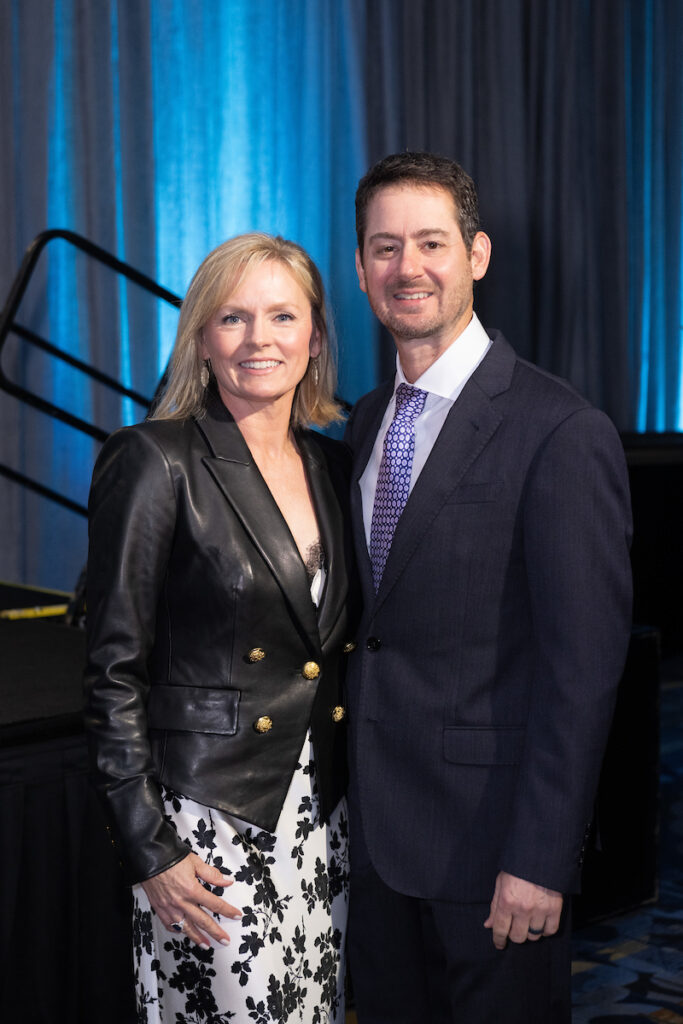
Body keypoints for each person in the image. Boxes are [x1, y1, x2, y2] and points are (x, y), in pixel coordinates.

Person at [343, 152, 633, 1023]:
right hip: (375, 852)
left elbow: (582, 673)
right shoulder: (363, 421)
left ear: (477, 254)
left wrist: (541, 858)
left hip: (493, 859)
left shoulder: (559, 430)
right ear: (360, 268)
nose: (407, 268)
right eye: (384, 247)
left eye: (430, 242)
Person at [84, 233, 356, 1023]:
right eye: (233, 318)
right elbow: (112, 670)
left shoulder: (335, 467)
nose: (259, 339)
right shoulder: (153, 459)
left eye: (281, 315)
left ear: (314, 336)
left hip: (324, 817)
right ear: (202, 338)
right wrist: (148, 845)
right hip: (206, 825)